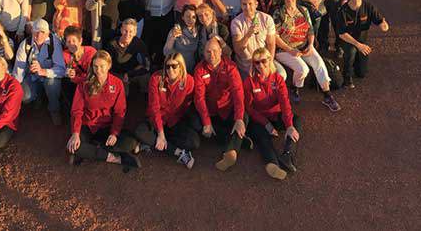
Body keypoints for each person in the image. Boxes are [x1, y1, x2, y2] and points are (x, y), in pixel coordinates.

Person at [126, 53, 203, 169]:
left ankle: (151, 143)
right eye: (167, 66)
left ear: (181, 66)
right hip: (157, 121)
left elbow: (189, 104)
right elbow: (154, 107)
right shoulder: (156, 79)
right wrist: (161, 133)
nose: (170, 69)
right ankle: (178, 152)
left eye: (174, 66)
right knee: (139, 131)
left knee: (194, 142)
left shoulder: (189, 81)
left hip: (175, 121)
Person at [66, 51, 140, 169]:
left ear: (109, 65)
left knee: (129, 141)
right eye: (95, 66)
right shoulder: (84, 83)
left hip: (107, 126)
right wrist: (75, 133)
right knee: (74, 146)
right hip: (88, 126)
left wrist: (114, 133)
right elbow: (77, 110)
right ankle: (115, 158)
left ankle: (94, 150)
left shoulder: (117, 84)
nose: (98, 70)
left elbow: (119, 112)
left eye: (102, 66)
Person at [274, 0, 339, 110]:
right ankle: (295, 88)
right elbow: (275, 37)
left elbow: (310, 31)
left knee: (319, 64)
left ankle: (327, 95)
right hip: (284, 49)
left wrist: (310, 45)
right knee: (303, 69)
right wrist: (290, 50)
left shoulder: (303, 10)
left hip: (304, 45)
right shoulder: (278, 13)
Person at [244, 48, 301, 180]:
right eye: (256, 63)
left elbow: (285, 103)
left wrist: (289, 126)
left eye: (263, 61)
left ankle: (287, 154)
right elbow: (249, 108)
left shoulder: (278, 79)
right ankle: (272, 163)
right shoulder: (249, 82)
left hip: (276, 114)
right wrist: (266, 124)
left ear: (270, 60)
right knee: (260, 134)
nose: (260, 65)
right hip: (260, 118)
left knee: (296, 120)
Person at [192, 37, 247, 171]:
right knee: (195, 123)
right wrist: (206, 122)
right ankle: (239, 140)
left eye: (215, 51)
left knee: (244, 117)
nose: (212, 55)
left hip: (227, 109)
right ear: (203, 53)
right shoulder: (199, 69)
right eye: (208, 52)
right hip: (210, 113)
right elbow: (199, 98)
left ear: (221, 51)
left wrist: (239, 118)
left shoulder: (231, 67)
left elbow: (238, 92)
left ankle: (230, 152)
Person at [333, 0, 389, 89]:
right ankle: (347, 77)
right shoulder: (343, 11)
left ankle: (355, 63)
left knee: (361, 74)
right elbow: (342, 34)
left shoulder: (368, 7)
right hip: (347, 41)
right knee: (351, 51)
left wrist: (384, 25)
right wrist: (358, 45)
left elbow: (381, 21)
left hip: (362, 42)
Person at [12, 19, 66, 125]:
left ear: (48, 33)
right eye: (36, 31)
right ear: (32, 31)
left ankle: (54, 109)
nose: (39, 35)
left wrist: (43, 71)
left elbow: (61, 70)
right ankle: (38, 97)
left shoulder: (54, 43)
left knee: (52, 84)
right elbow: (18, 71)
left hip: (48, 77)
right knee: (24, 95)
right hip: (32, 78)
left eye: (42, 32)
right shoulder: (25, 45)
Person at [231, 0, 283, 78]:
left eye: (250, 4)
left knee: (281, 74)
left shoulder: (266, 19)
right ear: (241, 5)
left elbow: (271, 44)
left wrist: (269, 63)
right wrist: (248, 34)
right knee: (255, 79)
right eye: (244, 4)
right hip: (247, 63)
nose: (247, 7)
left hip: (264, 60)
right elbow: (237, 49)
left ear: (256, 4)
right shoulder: (236, 22)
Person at [163, 5, 200, 72]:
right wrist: (172, 38)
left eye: (193, 17)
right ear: (183, 17)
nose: (191, 19)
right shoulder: (176, 30)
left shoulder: (198, 32)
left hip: (191, 67)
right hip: (177, 67)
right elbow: (166, 52)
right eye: (188, 16)